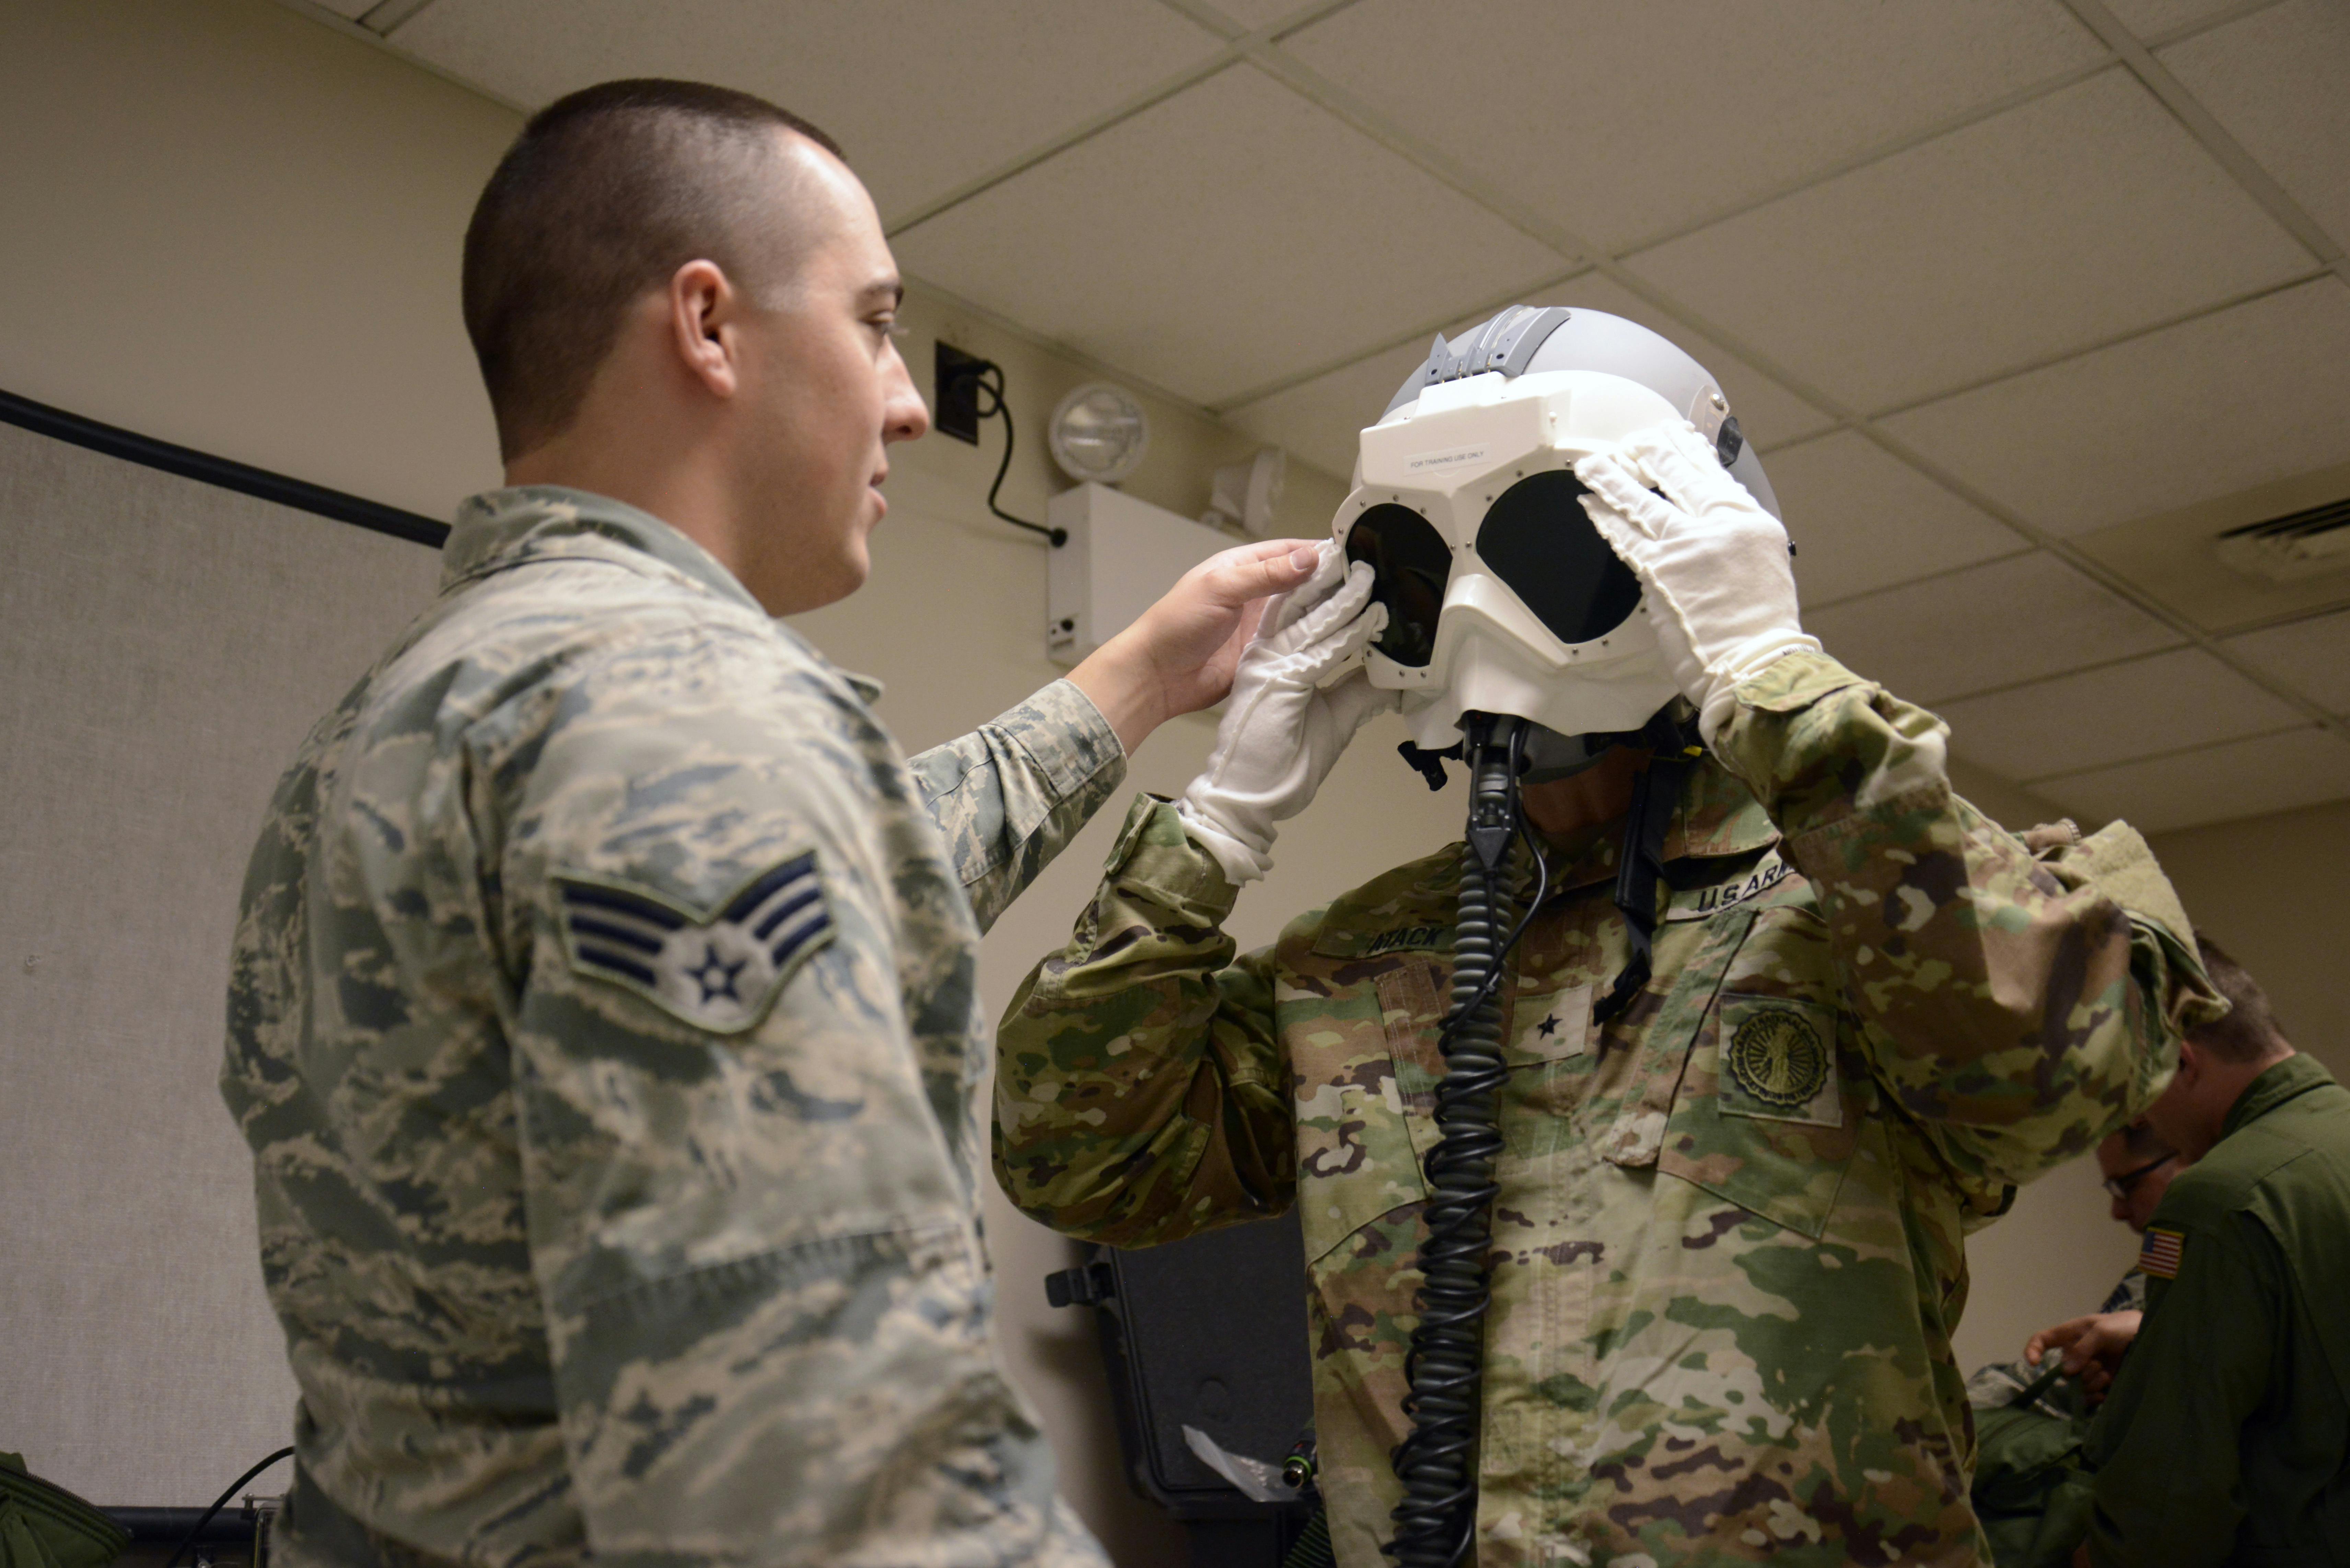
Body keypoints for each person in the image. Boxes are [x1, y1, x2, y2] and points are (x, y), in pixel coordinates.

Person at [219, 79, 1326, 1568]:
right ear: (709, 324)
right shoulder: (693, 713)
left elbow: (861, 870)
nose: (911, 398)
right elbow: (824, 1475)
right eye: (874, 321)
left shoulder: (410, 720)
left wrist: (1134, 682)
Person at [992, 332, 2223, 1564]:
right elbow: (1074, 1158)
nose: (1478, 613)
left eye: (1543, 546)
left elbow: (2052, 1078)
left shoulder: (1862, 889)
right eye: (1430, 565)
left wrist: (1773, 683)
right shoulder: (1356, 964)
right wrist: (1215, 826)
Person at [2057, 937, 2350, 1567]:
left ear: (2182, 1063)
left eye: (2140, 1096)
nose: (2150, 1123)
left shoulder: (2214, 1200)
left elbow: (2168, 1489)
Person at [1973, 1120, 2183, 1416]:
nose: (2117, 1211)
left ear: (2188, 1161)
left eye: (2128, 1186)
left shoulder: (2241, 1257)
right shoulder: (2165, 1264)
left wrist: (2150, 1337)